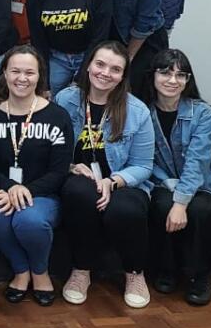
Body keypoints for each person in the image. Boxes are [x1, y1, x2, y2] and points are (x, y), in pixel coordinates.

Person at [55, 41, 155, 309]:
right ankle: (81, 269)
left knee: (124, 209)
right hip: (80, 178)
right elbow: (51, 150)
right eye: (100, 64)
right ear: (88, 65)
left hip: (124, 182)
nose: (105, 73)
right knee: (79, 193)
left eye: (115, 69)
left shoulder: (137, 111)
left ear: (123, 76)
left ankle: (134, 273)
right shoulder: (65, 99)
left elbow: (143, 166)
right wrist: (70, 167)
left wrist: (113, 181)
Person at [0, 46, 71, 307]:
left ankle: (40, 271)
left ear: (40, 76)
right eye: (15, 71)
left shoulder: (57, 116)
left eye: (30, 72)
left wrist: (26, 190)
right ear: (4, 74)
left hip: (44, 193)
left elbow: (60, 170)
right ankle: (21, 269)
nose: (22, 78)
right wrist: (10, 187)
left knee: (29, 220)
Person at [137, 49, 211, 306]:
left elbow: (198, 161)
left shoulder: (204, 113)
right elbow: (145, 160)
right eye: (165, 73)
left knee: (201, 209)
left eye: (181, 75)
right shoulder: (141, 112)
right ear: (153, 75)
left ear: (188, 80)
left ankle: (199, 276)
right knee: (162, 204)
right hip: (160, 182)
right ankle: (167, 269)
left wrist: (181, 200)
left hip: (201, 185)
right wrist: (170, 188)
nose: (173, 80)